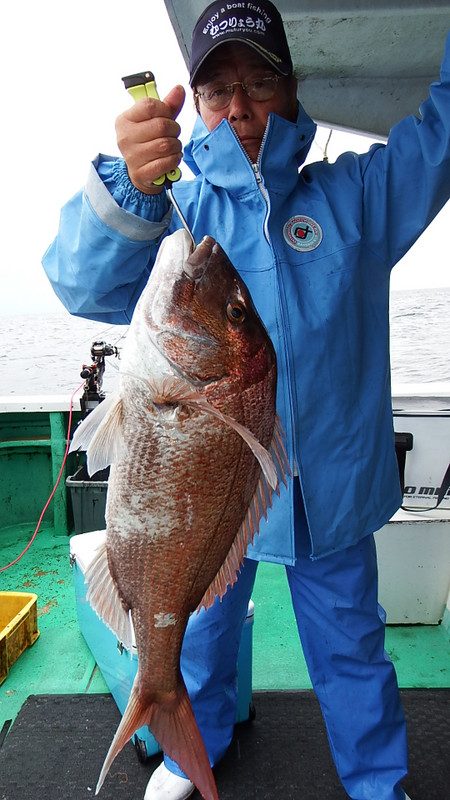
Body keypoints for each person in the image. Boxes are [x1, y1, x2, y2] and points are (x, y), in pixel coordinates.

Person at [43, 2, 450, 798]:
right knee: (197, 628)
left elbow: (439, 138)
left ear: (294, 91)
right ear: (195, 104)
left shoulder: (358, 198)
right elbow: (83, 284)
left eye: (259, 81)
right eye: (218, 89)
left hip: (329, 496)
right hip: (209, 492)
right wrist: (130, 182)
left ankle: (377, 780)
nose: (239, 107)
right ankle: (195, 742)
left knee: (352, 648)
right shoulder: (176, 211)